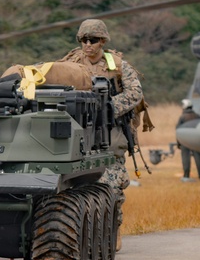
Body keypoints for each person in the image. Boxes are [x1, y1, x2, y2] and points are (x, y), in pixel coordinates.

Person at [59, 19, 149, 206]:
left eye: (93, 40)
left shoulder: (116, 66)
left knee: (111, 187)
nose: (87, 44)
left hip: (109, 132)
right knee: (72, 188)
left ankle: (112, 231)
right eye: (83, 40)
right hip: (77, 131)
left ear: (102, 41)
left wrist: (107, 107)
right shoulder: (69, 64)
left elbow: (135, 93)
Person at [177, 101, 200, 181]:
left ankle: (186, 175)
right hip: (195, 140)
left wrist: (179, 142)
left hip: (185, 140)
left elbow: (178, 130)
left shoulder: (183, 117)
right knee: (198, 157)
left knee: (185, 157)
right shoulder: (197, 116)